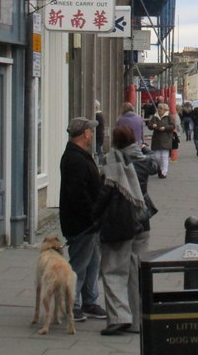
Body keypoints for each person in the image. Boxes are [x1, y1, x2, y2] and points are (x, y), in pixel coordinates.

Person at [94, 126, 159, 336]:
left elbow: (104, 195)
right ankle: (137, 321)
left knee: (113, 270)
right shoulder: (143, 160)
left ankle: (119, 318)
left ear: (114, 141)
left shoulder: (112, 163)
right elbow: (155, 165)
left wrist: (93, 217)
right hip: (142, 221)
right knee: (136, 273)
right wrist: (146, 149)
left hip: (120, 224)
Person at [59, 116, 107, 322]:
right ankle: (73, 304)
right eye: (91, 131)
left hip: (90, 222)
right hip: (82, 223)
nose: (92, 134)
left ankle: (90, 300)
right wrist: (92, 215)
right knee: (79, 264)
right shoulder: (75, 159)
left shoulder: (79, 155)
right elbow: (78, 194)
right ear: (85, 133)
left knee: (93, 262)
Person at [147, 102, 176, 178]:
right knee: (157, 157)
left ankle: (164, 172)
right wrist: (152, 125)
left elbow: (172, 126)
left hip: (166, 138)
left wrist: (165, 128)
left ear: (164, 109)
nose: (159, 110)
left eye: (160, 108)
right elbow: (149, 125)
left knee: (164, 156)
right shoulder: (155, 116)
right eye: (158, 108)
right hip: (157, 138)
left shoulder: (169, 116)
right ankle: (160, 168)